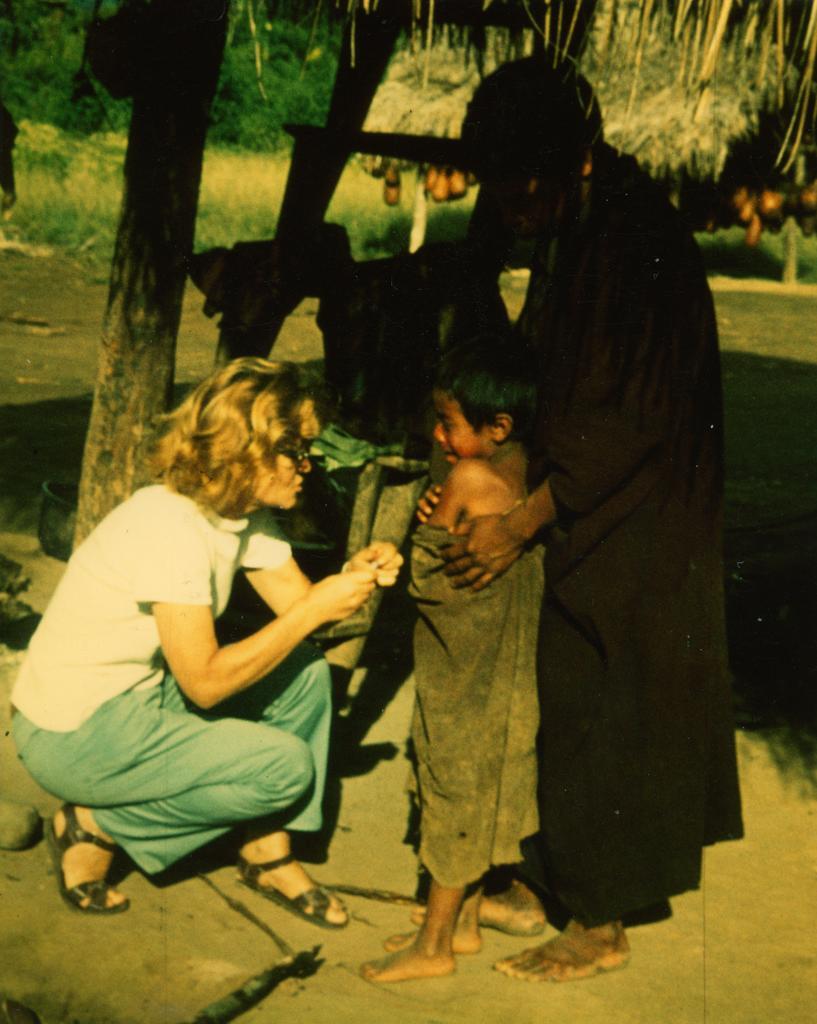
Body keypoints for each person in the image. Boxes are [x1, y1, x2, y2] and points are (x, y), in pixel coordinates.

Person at [433, 58, 744, 981]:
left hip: (645, 508)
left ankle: (600, 921)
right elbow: (555, 369)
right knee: (572, 690)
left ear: (562, 162)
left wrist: (523, 517)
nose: (509, 202)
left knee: (616, 698)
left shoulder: (634, 235)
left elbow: (630, 416)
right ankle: (555, 877)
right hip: (595, 497)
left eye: (519, 183)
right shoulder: (583, 222)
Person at [11, 357, 402, 924]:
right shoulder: (171, 528)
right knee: (283, 767)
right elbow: (206, 683)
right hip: (72, 732)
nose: (308, 468)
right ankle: (96, 824)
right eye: (297, 453)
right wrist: (312, 610)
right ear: (249, 451)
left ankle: (267, 850)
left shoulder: (238, 516)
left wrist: (354, 578)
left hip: (134, 700)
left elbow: (305, 611)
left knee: (306, 676)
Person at [361, 339, 543, 982]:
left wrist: (425, 529)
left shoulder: (467, 478)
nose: (438, 437)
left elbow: (427, 579)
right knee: (483, 779)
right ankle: (463, 923)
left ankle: (434, 945)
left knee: (453, 784)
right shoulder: (528, 479)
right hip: (503, 677)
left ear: (498, 428)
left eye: (450, 425)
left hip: (462, 674)